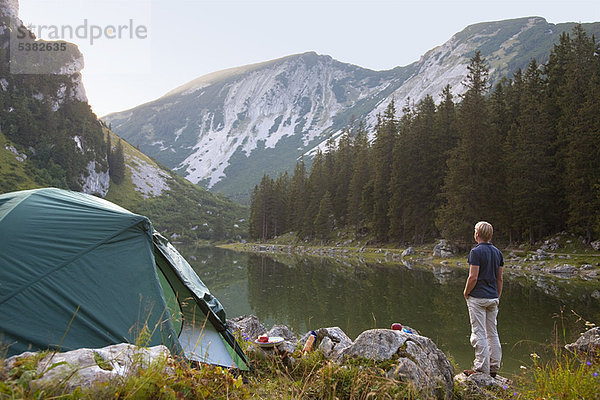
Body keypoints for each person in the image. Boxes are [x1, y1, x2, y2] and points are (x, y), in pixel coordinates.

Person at [463, 221, 504, 378]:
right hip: (492, 298)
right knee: (492, 332)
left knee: (478, 332)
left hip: (478, 298)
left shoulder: (476, 252)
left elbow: (473, 277)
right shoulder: (498, 253)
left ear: (477, 234)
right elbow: (499, 278)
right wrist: (497, 296)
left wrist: (466, 292)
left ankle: (481, 368)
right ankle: (494, 367)